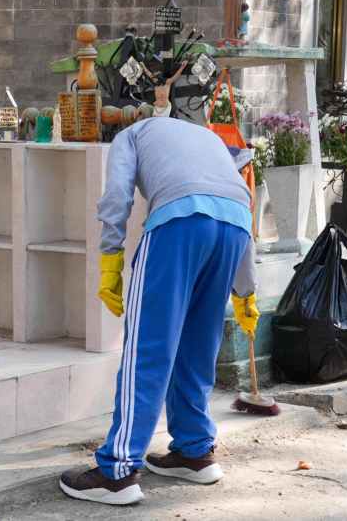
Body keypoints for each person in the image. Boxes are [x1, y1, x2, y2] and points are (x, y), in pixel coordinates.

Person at [59, 114, 259, 505]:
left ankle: (117, 469)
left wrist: (110, 259)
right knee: (197, 346)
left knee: (148, 347)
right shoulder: (210, 139)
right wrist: (246, 291)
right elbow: (238, 199)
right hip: (234, 227)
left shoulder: (130, 135)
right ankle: (194, 450)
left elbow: (117, 196)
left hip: (178, 224)